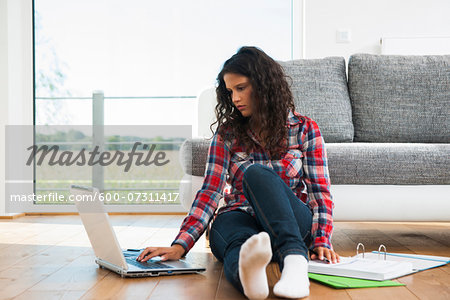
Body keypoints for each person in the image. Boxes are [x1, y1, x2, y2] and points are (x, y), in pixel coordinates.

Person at [137, 46, 340, 299]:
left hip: (290, 223)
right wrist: (180, 245)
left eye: (241, 88)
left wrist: (321, 240)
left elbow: (320, 193)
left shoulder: (304, 129)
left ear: (264, 85)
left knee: (256, 174)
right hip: (239, 216)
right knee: (237, 242)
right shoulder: (227, 133)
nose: (234, 98)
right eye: (230, 91)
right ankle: (249, 281)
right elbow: (211, 190)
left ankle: (295, 262)